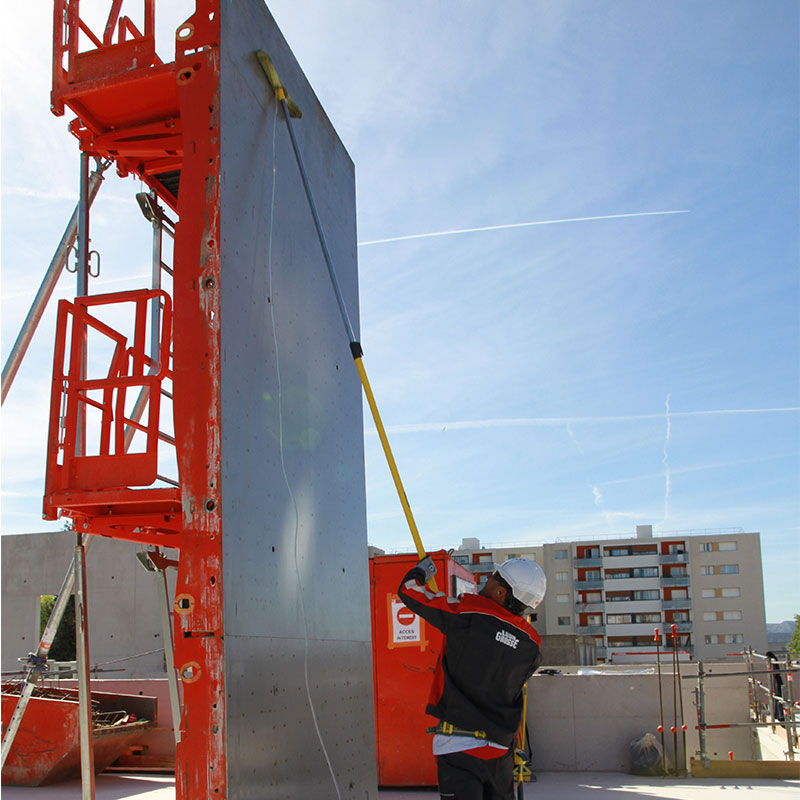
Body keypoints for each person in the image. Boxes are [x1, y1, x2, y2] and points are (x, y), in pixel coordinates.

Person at [398, 555, 546, 800]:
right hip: (500, 753)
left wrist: (423, 570)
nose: (487, 578)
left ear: (500, 592)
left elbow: (409, 590)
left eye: (494, 576)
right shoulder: (532, 646)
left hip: (459, 747)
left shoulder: (470, 613)